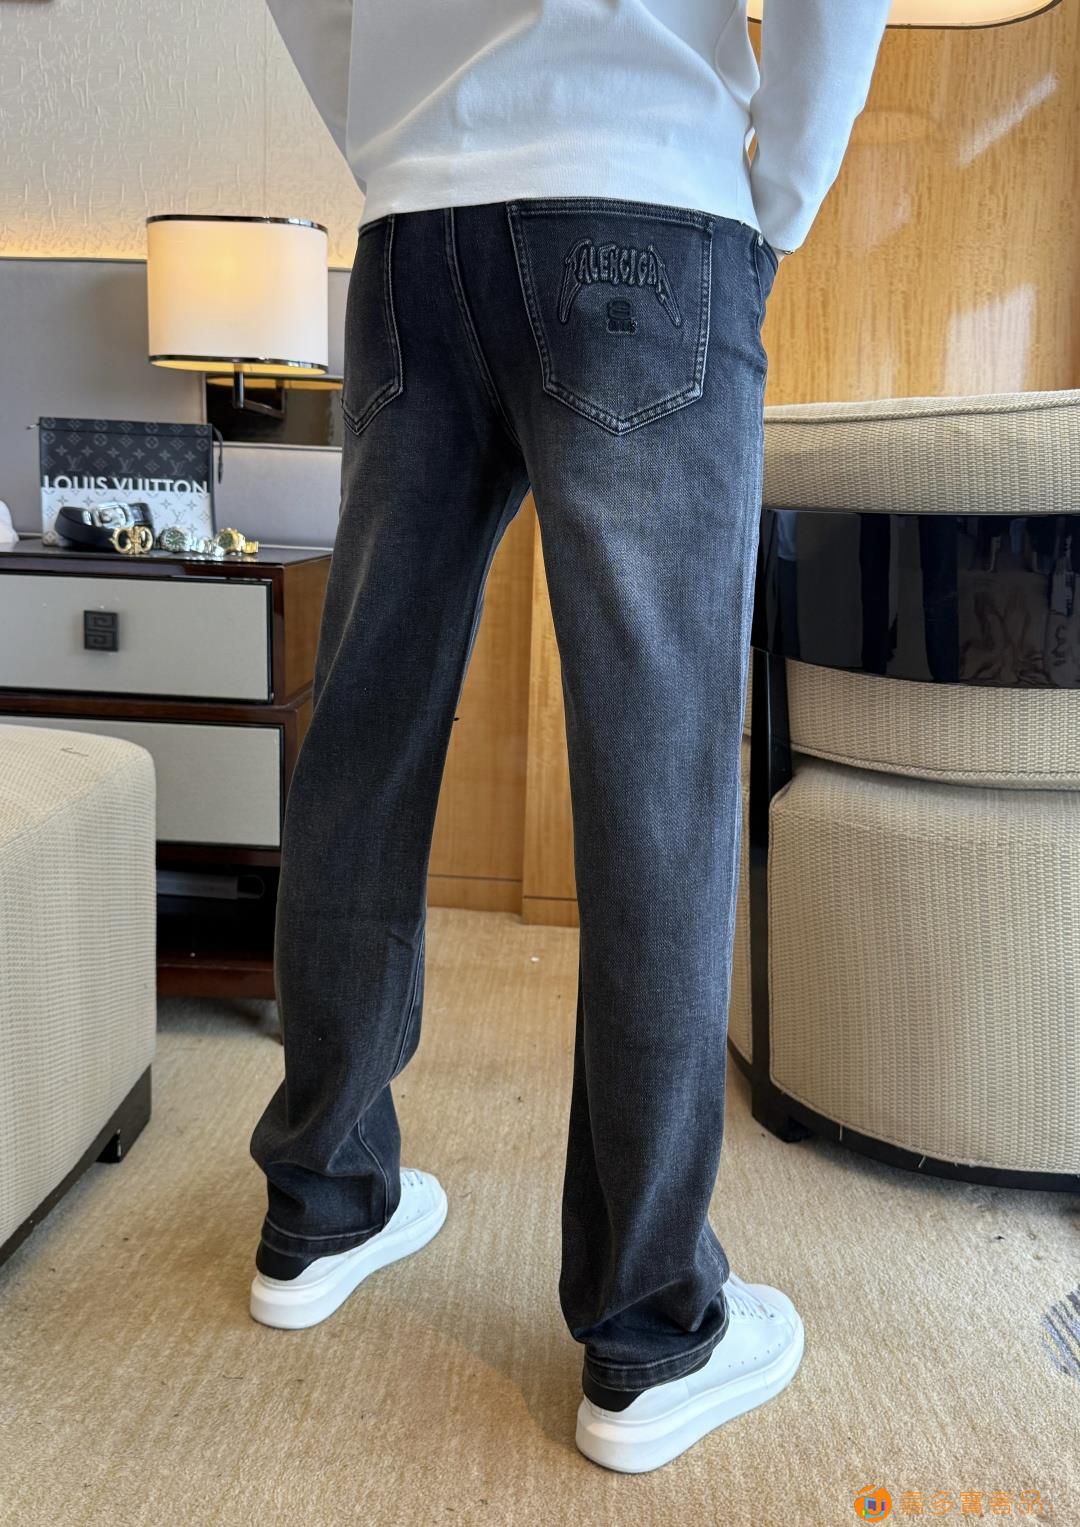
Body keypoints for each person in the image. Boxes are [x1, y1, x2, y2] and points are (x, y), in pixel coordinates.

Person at [247, 0, 892, 1474]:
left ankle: (320, 1205)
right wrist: (774, 197)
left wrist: (399, 144)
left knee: (365, 735)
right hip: (646, 196)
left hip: (414, 241)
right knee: (658, 774)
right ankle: (652, 1327)